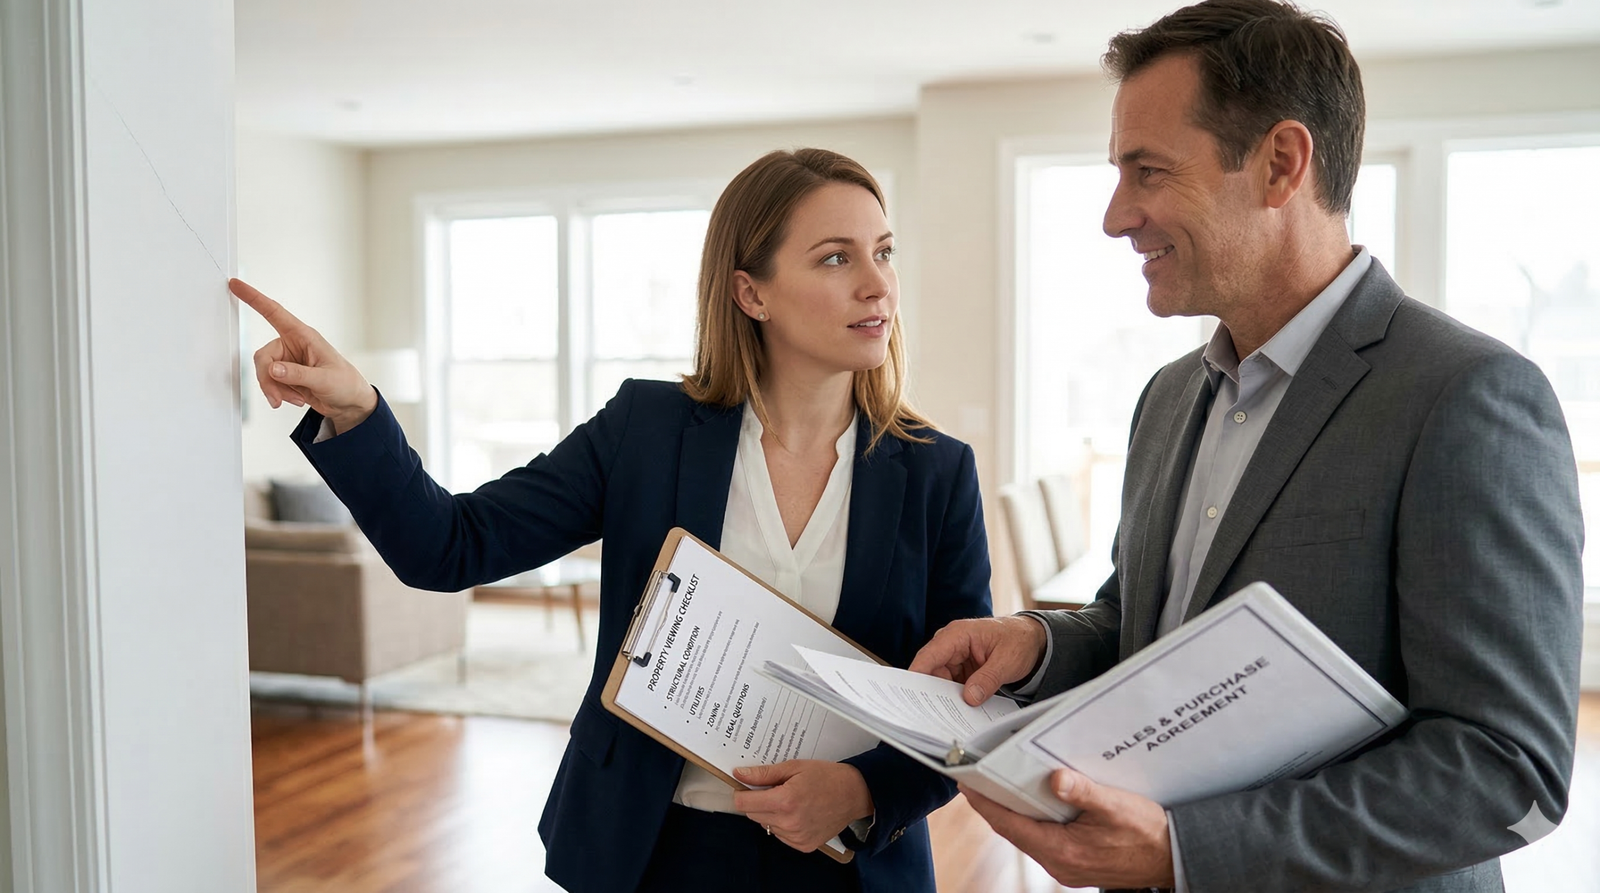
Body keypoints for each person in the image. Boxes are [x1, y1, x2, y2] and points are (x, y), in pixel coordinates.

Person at [909, 2, 1586, 891]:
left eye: (1148, 171)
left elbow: (1508, 770)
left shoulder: (1467, 396)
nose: (1117, 217)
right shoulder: (1167, 399)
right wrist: (1036, 645)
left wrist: (1187, 850)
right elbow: (1143, 625)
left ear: (1280, 164)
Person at [231, 148, 992, 893]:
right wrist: (356, 409)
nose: (877, 285)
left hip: (852, 868)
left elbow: (966, 706)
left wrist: (863, 791)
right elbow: (450, 545)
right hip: (654, 853)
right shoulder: (645, 431)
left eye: (884, 252)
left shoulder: (938, 473)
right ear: (750, 293)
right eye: (835, 258)